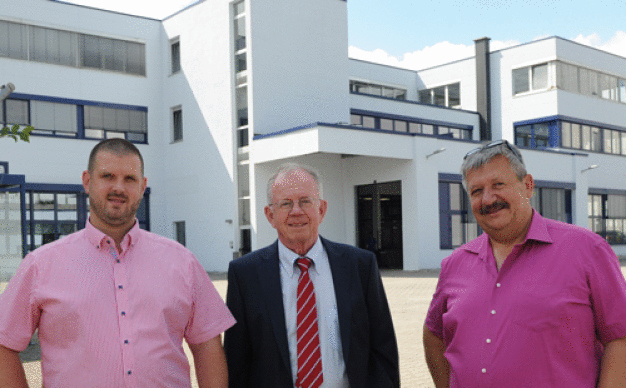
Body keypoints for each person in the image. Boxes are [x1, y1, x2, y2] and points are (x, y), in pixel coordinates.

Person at [0, 139, 235, 388]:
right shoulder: (41, 265)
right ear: (88, 181)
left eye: (130, 179)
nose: (118, 188)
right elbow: (4, 344)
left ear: (143, 186)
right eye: (108, 176)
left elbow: (207, 344)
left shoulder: (182, 262)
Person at [423, 140, 626, 388]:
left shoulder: (587, 249)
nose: (488, 199)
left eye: (498, 185)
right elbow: (433, 335)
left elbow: (620, 339)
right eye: (476, 191)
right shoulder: (454, 264)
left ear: (527, 186)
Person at [224, 163, 399, 388]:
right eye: (286, 203)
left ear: (322, 209)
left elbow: (383, 350)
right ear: (270, 215)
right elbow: (236, 362)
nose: (296, 211)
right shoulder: (245, 274)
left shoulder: (360, 266)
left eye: (305, 201)